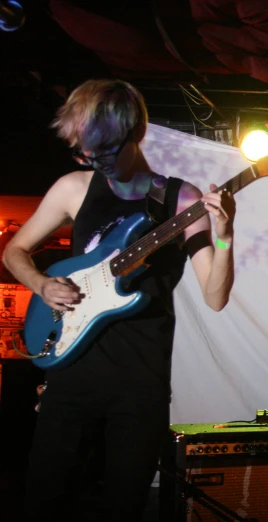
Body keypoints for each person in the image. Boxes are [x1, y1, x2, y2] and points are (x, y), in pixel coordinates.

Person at [2, 79, 236, 522]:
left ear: (136, 134)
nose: (97, 163)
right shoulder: (75, 187)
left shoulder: (179, 197)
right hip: (70, 373)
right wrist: (41, 284)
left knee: (123, 506)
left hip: (139, 384)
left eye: (105, 152)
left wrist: (224, 239)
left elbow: (215, 297)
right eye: (86, 154)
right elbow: (14, 250)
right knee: (44, 501)